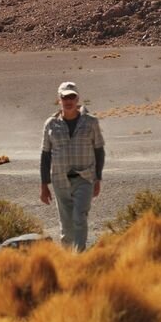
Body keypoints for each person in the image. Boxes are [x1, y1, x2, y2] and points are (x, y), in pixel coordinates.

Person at [40, 81, 105, 251]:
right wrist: (44, 185)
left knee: (79, 217)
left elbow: (99, 150)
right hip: (60, 180)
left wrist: (98, 178)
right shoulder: (51, 124)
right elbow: (45, 155)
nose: (68, 101)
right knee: (66, 224)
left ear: (78, 99)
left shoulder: (91, 122)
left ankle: (79, 257)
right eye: (65, 97)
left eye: (72, 97)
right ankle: (67, 259)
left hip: (85, 178)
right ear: (59, 99)